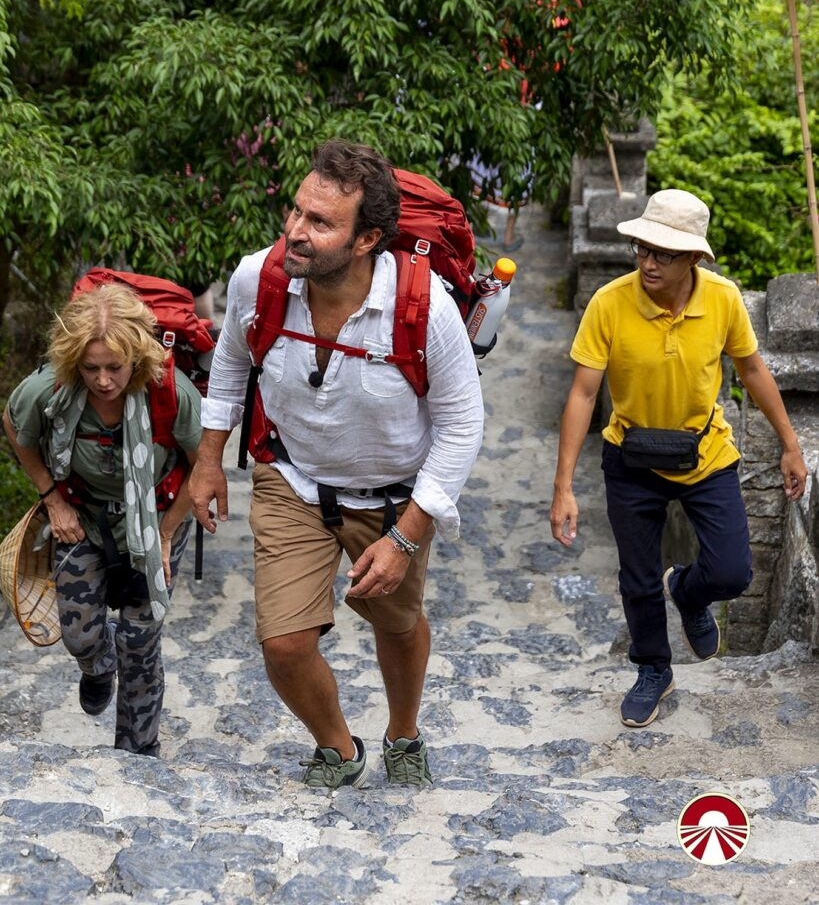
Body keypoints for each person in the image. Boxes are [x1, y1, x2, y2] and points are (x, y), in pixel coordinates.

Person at [188, 138, 484, 788]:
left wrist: (406, 537)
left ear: (365, 240)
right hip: (291, 480)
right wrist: (209, 459)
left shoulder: (424, 307)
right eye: (295, 212)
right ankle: (338, 747)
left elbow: (463, 424)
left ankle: (403, 732)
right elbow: (233, 360)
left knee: (397, 626)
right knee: (284, 643)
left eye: (319, 223)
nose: (295, 231)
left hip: (391, 497)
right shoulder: (256, 279)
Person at [548, 189, 807, 728]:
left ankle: (687, 593)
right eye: (643, 249)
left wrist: (791, 443)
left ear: (694, 257)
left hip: (705, 452)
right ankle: (653, 668)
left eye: (663, 254)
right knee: (636, 578)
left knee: (733, 571)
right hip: (630, 455)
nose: (647, 262)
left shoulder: (723, 299)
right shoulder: (610, 303)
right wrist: (564, 486)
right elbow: (581, 394)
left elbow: (754, 370)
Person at [2, 284, 201, 756]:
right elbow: (14, 426)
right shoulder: (50, 386)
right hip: (82, 515)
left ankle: (138, 750)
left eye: (115, 367)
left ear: (137, 358)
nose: (103, 380)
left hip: (157, 518)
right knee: (81, 634)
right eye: (91, 368)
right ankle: (97, 666)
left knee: (140, 637)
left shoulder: (170, 390)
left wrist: (167, 533)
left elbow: (203, 466)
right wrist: (52, 498)